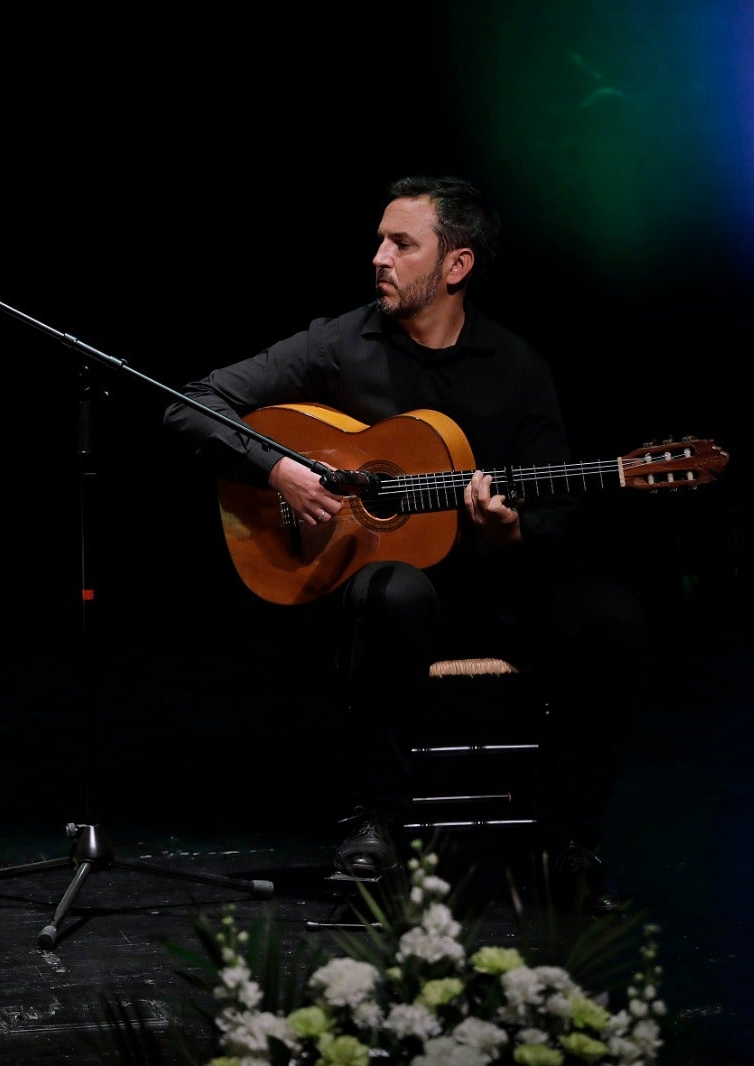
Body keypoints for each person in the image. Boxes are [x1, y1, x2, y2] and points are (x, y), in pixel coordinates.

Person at [162, 176, 645, 914]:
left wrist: (512, 529)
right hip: (384, 596)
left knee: (612, 620)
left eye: (401, 243)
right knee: (395, 590)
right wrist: (279, 468)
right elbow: (192, 404)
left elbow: (561, 515)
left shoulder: (516, 368)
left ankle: (566, 842)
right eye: (380, 240)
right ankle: (375, 825)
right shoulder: (340, 343)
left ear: (456, 267)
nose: (379, 257)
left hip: (495, 589)